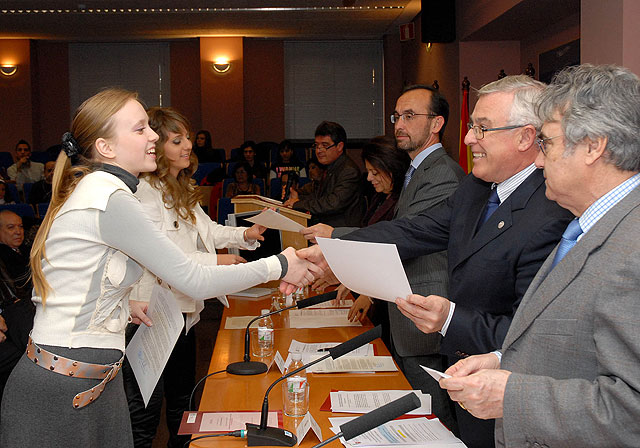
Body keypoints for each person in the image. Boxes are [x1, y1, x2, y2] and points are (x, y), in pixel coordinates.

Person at [0, 88, 319, 447]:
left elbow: (83, 276)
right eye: (139, 129)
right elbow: (191, 278)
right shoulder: (109, 199)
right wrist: (279, 265)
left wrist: (121, 304)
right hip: (65, 385)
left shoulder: (101, 190)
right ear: (106, 147)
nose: (152, 135)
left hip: (89, 376)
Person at [293, 75, 574, 448]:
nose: (469, 138)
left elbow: (531, 331)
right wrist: (335, 247)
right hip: (461, 371)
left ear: (525, 137)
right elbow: (414, 230)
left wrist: (450, 319)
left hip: (504, 392)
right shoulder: (477, 188)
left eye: (481, 128)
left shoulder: (551, 210)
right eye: (473, 125)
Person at [438, 64, 640, 448]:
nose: (538, 160)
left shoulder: (633, 249)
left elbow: (632, 410)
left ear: (594, 146)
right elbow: (574, 348)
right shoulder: (587, 224)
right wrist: (502, 360)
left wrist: (511, 395)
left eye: (546, 143)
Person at [305, 86, 465, 433]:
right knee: (423, 407)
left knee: (436, 417)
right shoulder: (417, 170)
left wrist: (336, 238)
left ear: (436, 123)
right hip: (408, 306)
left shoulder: (441, 174)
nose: (399, 125)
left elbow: (408, 236)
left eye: (410, 116)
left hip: (425, 307)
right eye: (397, 116)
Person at [123, 107, 269, 448]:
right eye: (177, 140)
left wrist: (244, 237)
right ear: (158, 147)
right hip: (152, 315)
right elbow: (164, 257)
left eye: (187, 137)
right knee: (145, 411)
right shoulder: (146, 193)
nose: (188, 145)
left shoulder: (179, 185)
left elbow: (208, 231)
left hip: (184, 313)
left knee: (183, 403)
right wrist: (217, 262)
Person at [284, 121, 365, 227]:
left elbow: (332, 203)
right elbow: (319, 198)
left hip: (341, 233)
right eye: (317, 145)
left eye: (324, 145)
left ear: (339, 146)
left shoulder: (349, 171)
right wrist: (297, 197)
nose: (319, 150)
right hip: (325, 229)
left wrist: (297, 204)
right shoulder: (330, 167)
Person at [0, 211, 35, 405]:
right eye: (11, 227)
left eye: (21, 227)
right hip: (13, 310)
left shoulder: (29, 251)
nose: (18, 232)